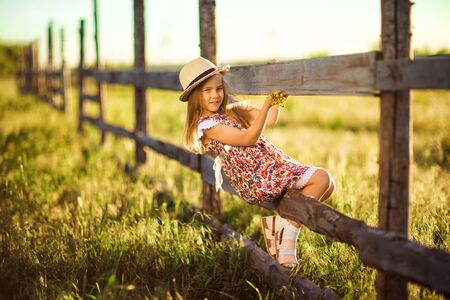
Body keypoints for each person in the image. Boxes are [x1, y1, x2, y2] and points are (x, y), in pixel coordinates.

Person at [179, 57, 335, 269]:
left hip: (273, 167)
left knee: (328, 186)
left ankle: (282, 223)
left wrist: (275, 86)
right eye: (207, 91)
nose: (215, 95)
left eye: (218, 89)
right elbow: (247, 139)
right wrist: (266, 104)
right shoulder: (207, 125)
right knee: (322, 178)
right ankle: (287, 237)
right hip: (256, 178)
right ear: (195, 96)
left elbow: (270, 118)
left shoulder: (231, 111)